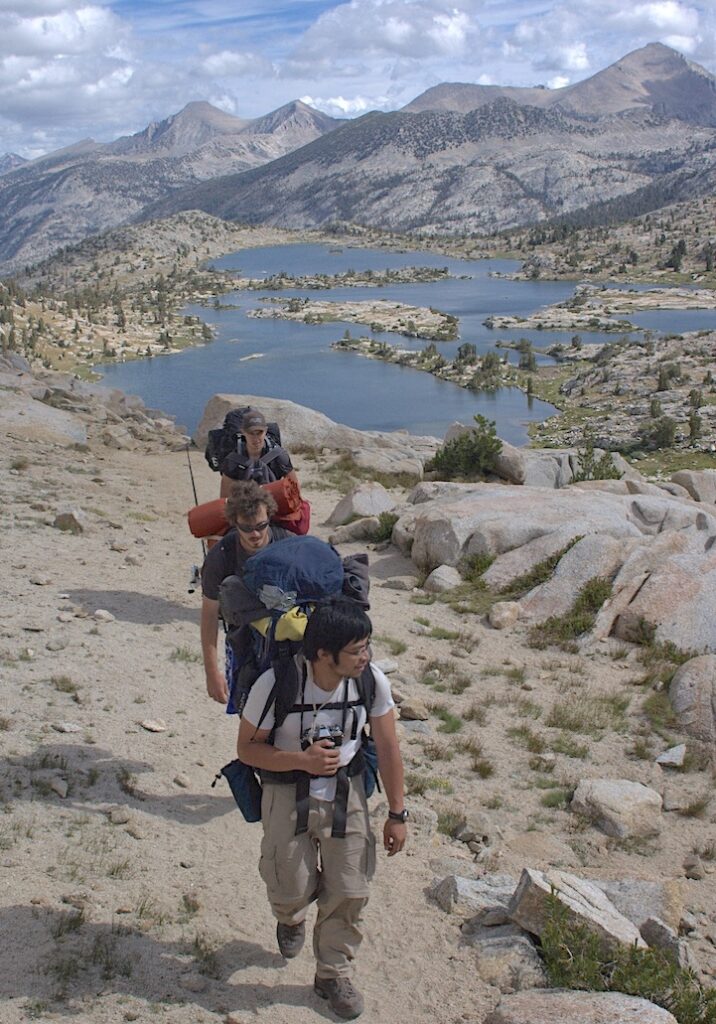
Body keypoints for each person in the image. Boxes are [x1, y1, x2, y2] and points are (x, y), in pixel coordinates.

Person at [237, 597, 407, 1021]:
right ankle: (290, 917)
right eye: (355, 650)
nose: (365, 657)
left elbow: (387, 746)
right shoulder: (275, 684)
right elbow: (246, 749)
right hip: (285, 789)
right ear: (322, 654)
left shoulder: (370, 681)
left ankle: (333, 973)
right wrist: (302, 761)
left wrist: (397, 813)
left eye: (367, 646)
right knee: (289, 884)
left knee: (350, 888)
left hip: (345, 790)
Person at [201, 480, 291, 704]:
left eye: (261, 525)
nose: (255, 534)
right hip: (242, 640)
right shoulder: (222, 555)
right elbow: (209, 614)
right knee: (249, 707)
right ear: (235, 523)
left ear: (269, 516)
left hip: (286, 639)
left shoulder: (288, 545)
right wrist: (212, 673)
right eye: (247, 528)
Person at [219, 409, 297, 498]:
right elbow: (224, 499)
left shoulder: (279, 456)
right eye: (251, 433)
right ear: (243, 432)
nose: (256, 438)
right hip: (243, 506)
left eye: (259, 432)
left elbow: (295, 489)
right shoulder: (232, 461)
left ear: (266, 431)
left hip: (275, 503)